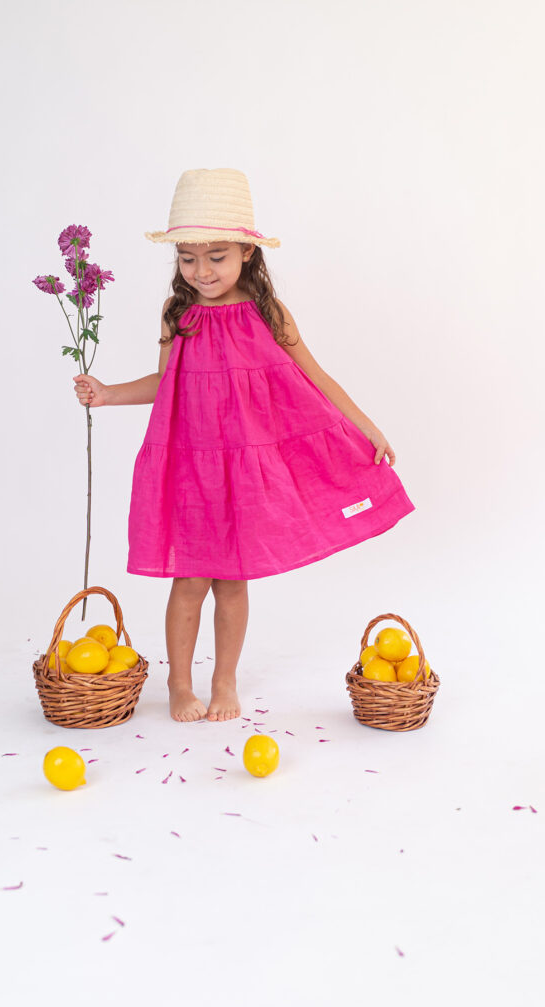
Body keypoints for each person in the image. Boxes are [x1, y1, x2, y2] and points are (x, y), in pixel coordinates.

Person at [73, 168, 415, 725]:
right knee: (189, 581)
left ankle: (224, 678)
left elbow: (316, 379)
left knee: (233, 580)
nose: (202, 270)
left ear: (248, 255)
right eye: (188, 258)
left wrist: (366, 426)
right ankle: (179, 685)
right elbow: (166, 384)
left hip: (247, 468)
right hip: (190, 466)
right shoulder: (177, 315)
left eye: (217, 256)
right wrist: (108, 394)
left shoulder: (268, 313)